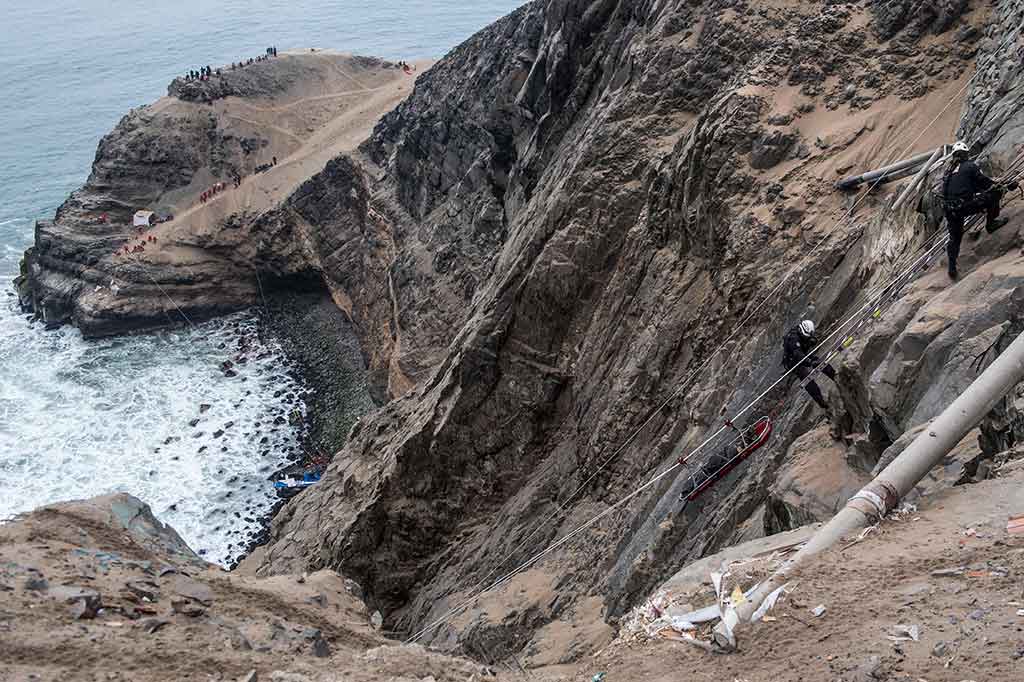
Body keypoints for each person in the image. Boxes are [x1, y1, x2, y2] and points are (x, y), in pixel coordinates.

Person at [942, 141, 1018, 280]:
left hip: (950, 210)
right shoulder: (970, 166)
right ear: (966, 154)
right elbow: (987, 184)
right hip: (965, 206)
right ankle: (991, 224)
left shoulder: (948, 172)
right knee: (995, 194)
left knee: (955, 238)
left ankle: (952, 268)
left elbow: (964, 187)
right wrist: (1006, 186)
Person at [782, 320, 836, 410]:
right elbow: (798, 355)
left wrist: (811, 341)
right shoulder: (793, 339)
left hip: (802, 353)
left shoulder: (800, 331)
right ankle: (821, 401)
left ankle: (834, 375)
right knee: (807, 379)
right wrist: (810, 362)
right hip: (793, 361)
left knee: (819, 362)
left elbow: (805, 345)